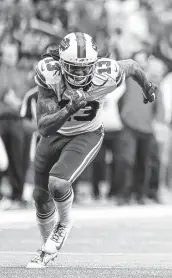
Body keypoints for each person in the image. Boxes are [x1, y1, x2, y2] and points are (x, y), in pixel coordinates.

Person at [26, 32, 157, 268]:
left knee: (58, 183)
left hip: (87, 133)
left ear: (94, 64)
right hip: (54, 133)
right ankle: (47, 250)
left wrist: (148, 89)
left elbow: (134, 67)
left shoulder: (108, 73)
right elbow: (43, 127)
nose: (79, 74)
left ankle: (64, 223)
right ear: (62, 65)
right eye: (73, 69)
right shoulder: (50, 73)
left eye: (84, 68)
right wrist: (67, 110)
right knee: (39, 196)